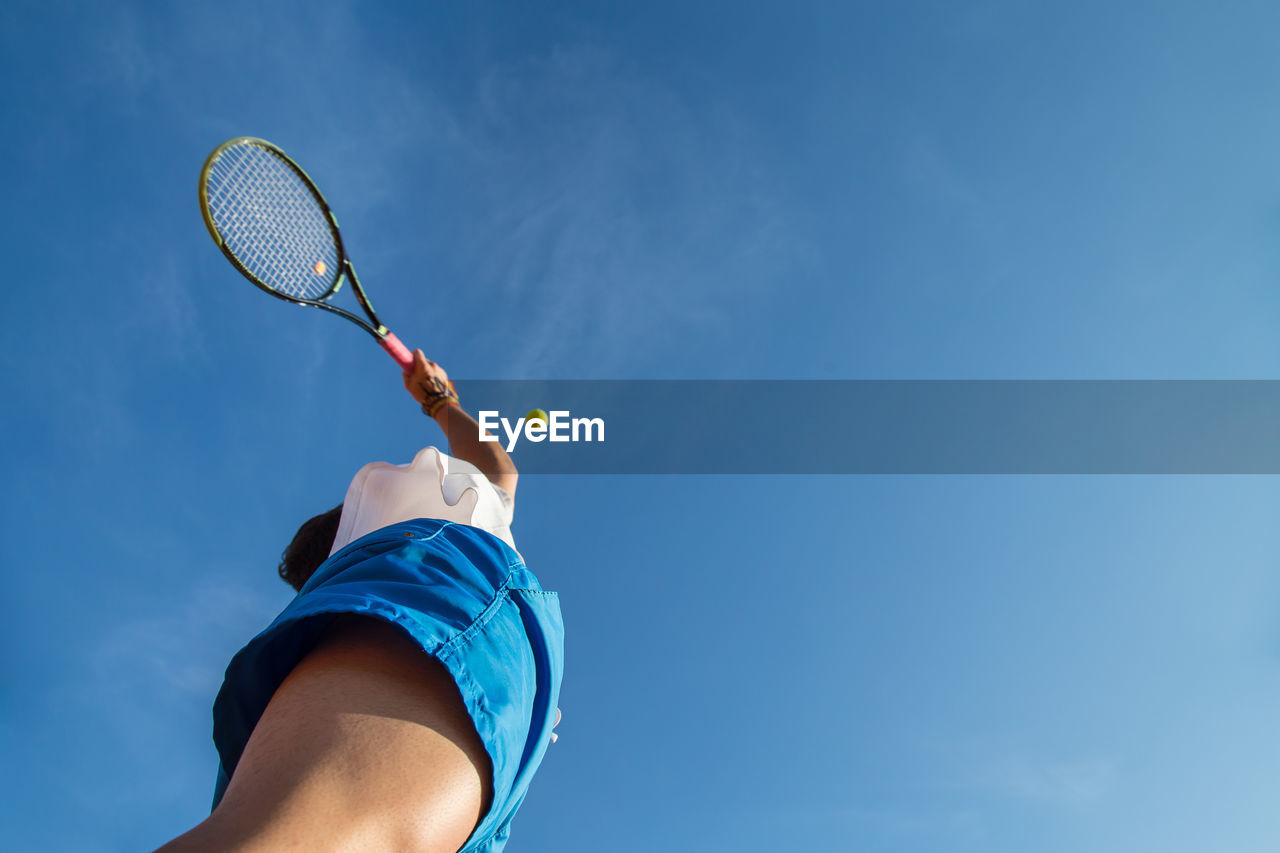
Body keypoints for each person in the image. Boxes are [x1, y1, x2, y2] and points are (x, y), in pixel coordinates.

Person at [157, 351, 564, 853]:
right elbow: (496, 468)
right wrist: (438, 399)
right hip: (450, 628)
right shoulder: (419, 525)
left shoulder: (332, 632)